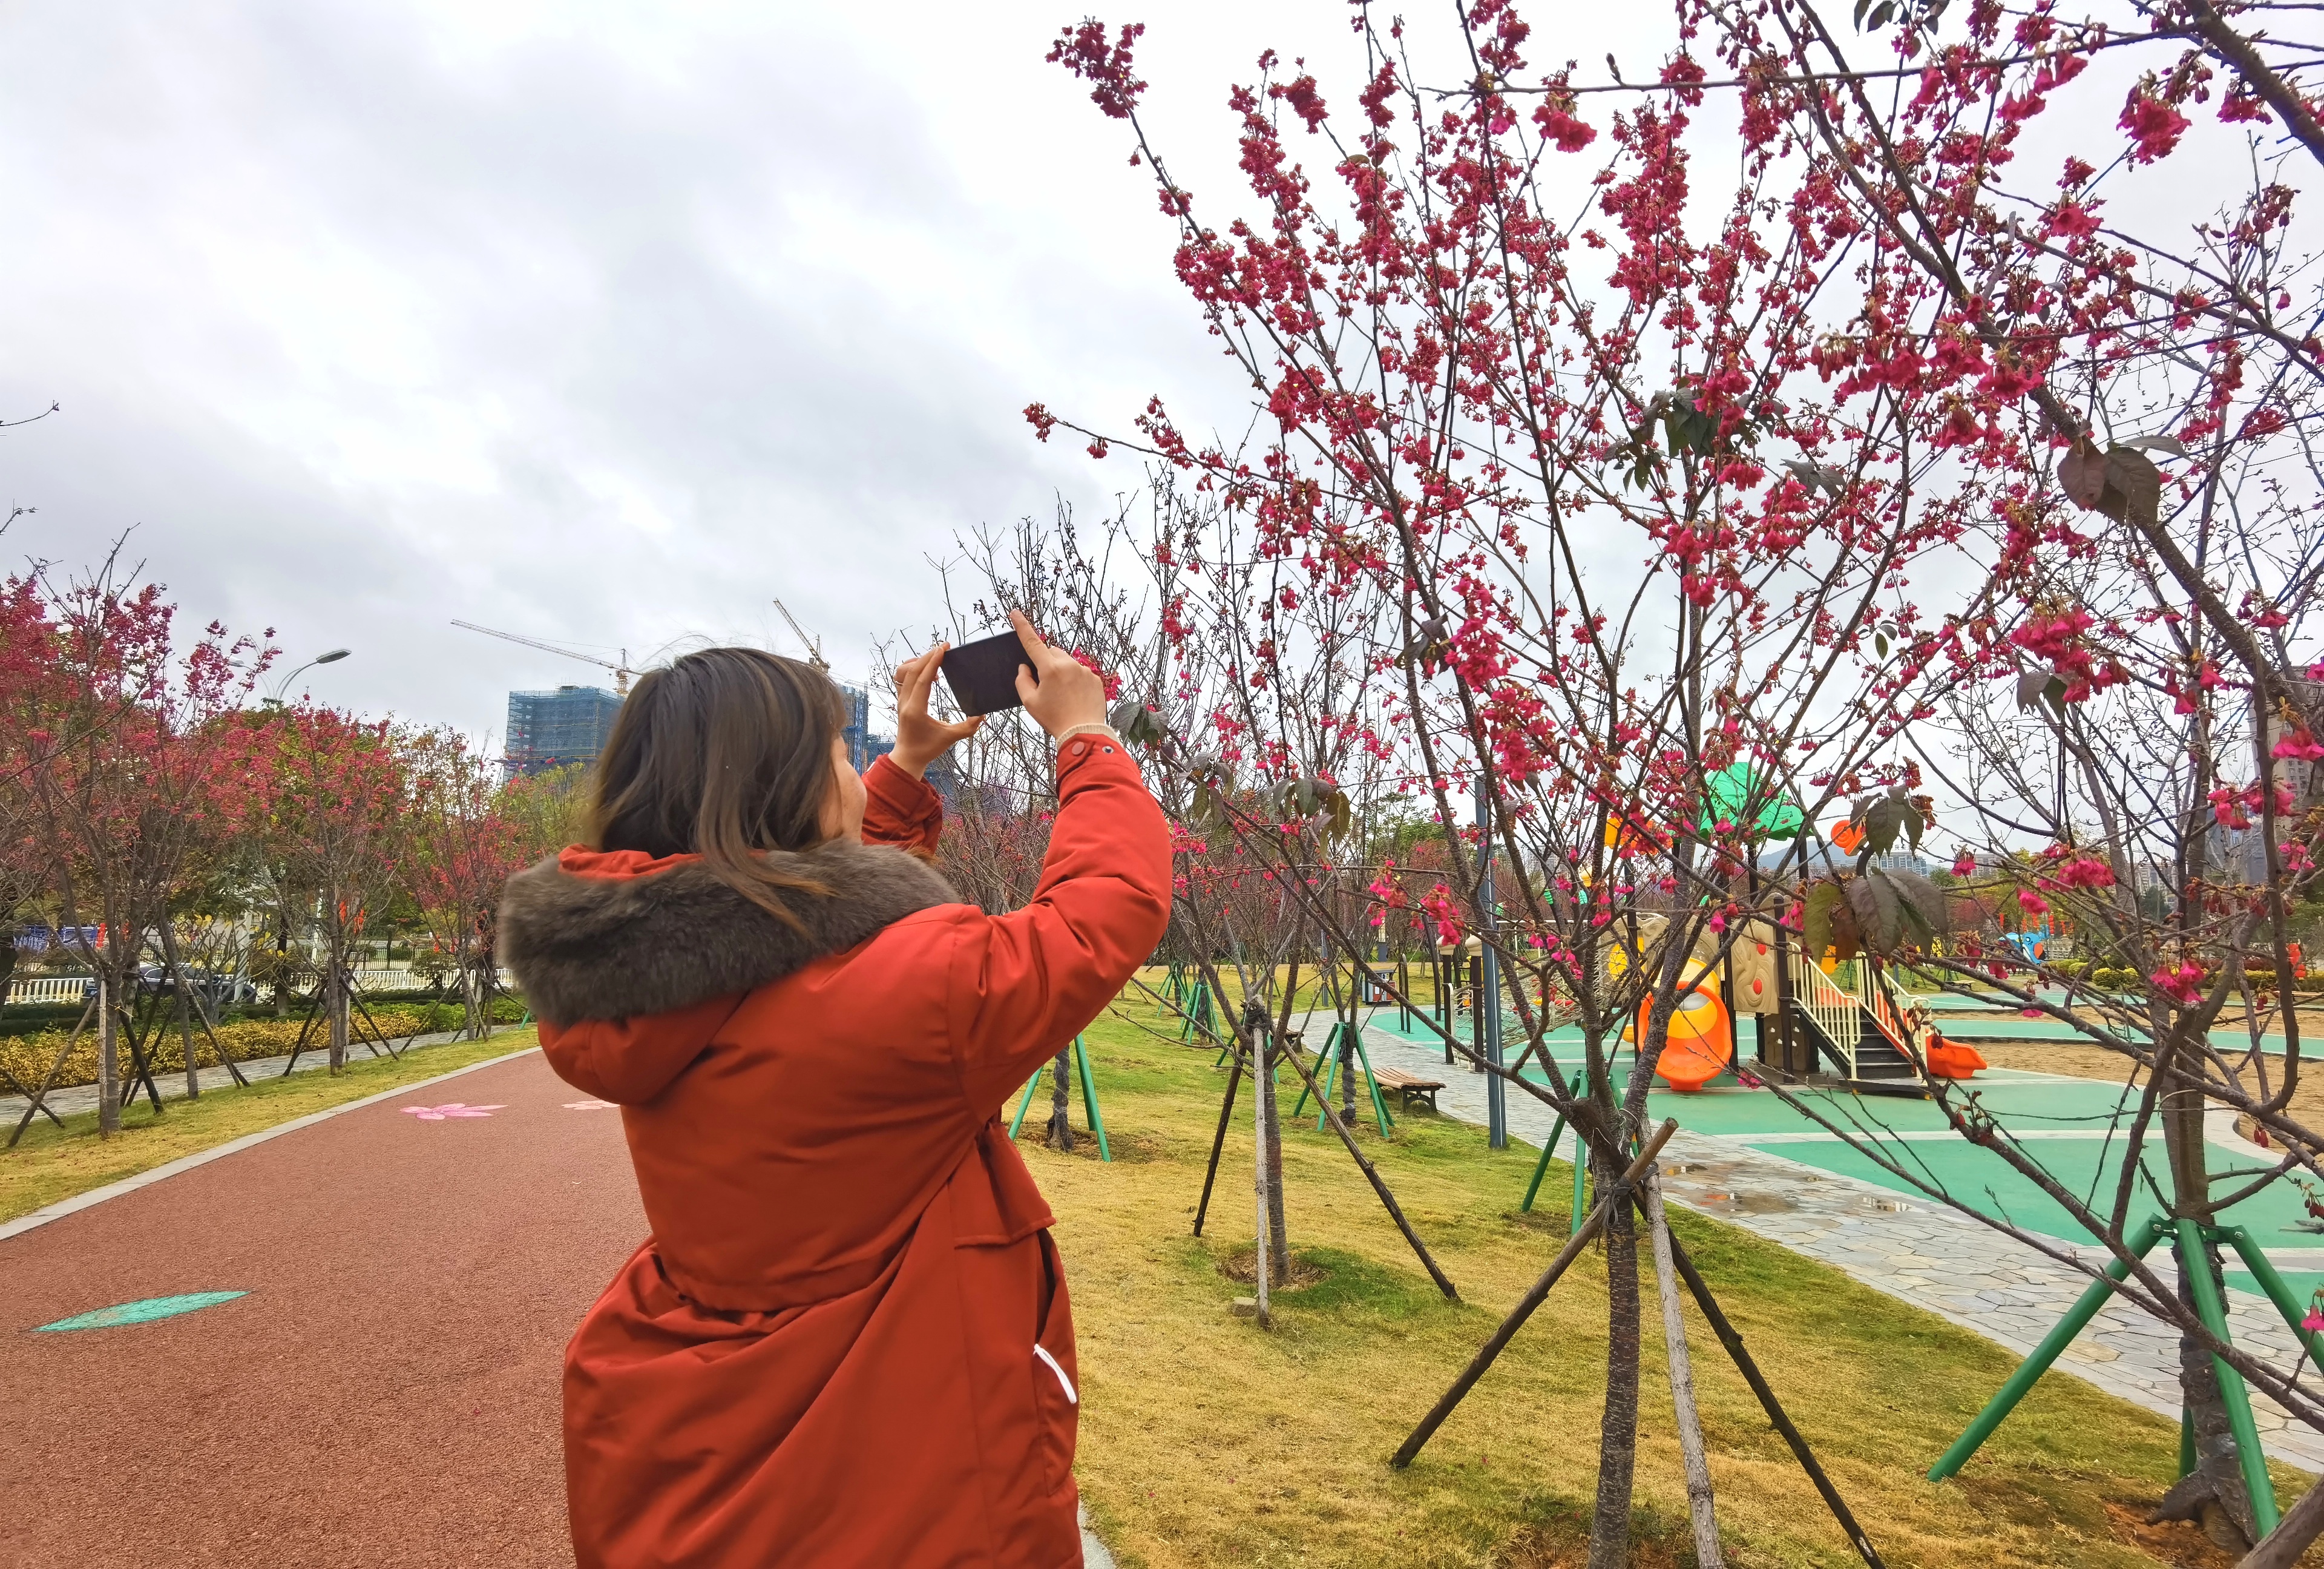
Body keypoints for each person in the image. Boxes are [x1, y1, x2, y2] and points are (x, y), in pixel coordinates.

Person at [497, 611, 1169, 1568]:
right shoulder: (912, 998)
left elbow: (797, 920)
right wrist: (1087, 740)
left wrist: (900, 772)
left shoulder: (644, 985)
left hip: (710, 1444)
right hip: (906, 1465)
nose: (856, 776)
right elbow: (1102, 914)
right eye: (840, 759)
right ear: (789, 791)